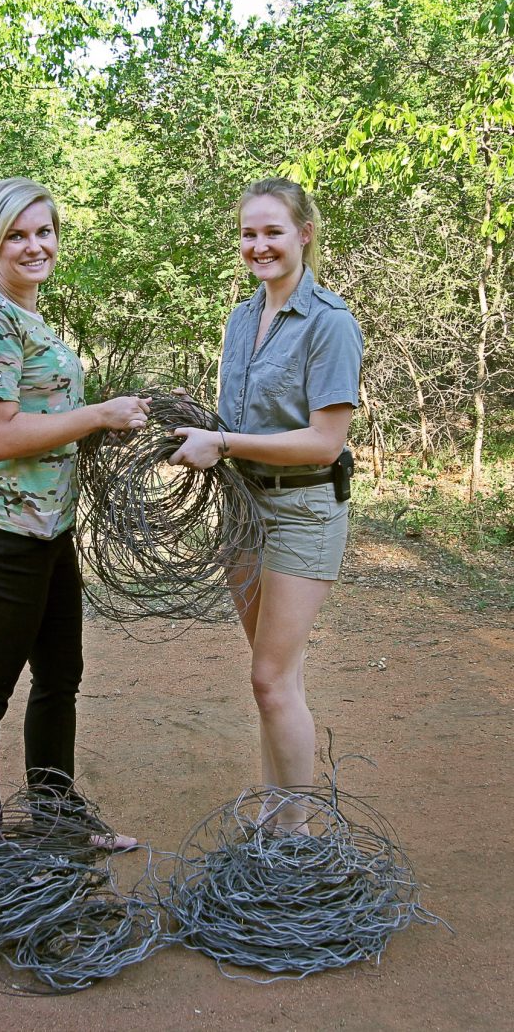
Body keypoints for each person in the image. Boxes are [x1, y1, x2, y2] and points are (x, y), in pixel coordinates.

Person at [0, 177, 151, 848]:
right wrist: (96, 415)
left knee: (59, 678)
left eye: (43, 231)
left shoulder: (28, 318)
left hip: (48, 532)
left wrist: (116, 420)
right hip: (5, 538)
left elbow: (45, 417)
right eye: (17, 235)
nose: (35, 246)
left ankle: (56, 817)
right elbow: (0, 434)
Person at [169, 177, 363, 833]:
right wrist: (185, 424)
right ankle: (277, 818)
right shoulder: (242, 318)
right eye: (249, 234)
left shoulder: (331, 324)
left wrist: (220, 441)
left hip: (304, 512)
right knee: (276, 681)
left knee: (270, 679)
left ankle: (295, 839)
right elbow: (239, 420)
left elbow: (323, 441)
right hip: (244, 509)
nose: (259, 246)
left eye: (273, 232)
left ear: (304, 234)